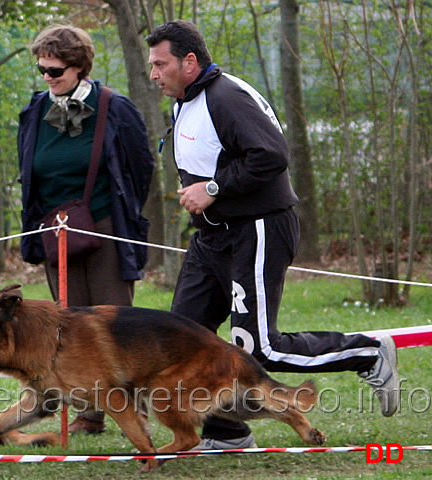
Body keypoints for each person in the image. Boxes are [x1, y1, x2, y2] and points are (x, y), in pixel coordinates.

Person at [146, 20, 400, 449]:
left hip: (257, 229)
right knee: (183, 340)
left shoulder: (226, 98)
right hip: (211, 238)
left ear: (189, 62)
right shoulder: (186, 98)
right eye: (152, 65)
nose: (154, 74)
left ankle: (368, 352)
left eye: (160, 64)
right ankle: (227, 433)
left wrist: (212, 189)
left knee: (258, 347)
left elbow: (272, 156)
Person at [18, 24, 154, 434]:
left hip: (105, 226)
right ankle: (90, 413)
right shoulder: (34, 109)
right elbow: (28, 170)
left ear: (79, 68)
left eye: (55, 70)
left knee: (116, 325)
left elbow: (141, 168)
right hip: (53, 229)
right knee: (69, 326)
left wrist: (119, 215)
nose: (47, 77)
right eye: (42, 69)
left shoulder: (116, 107)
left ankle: (137, 413)